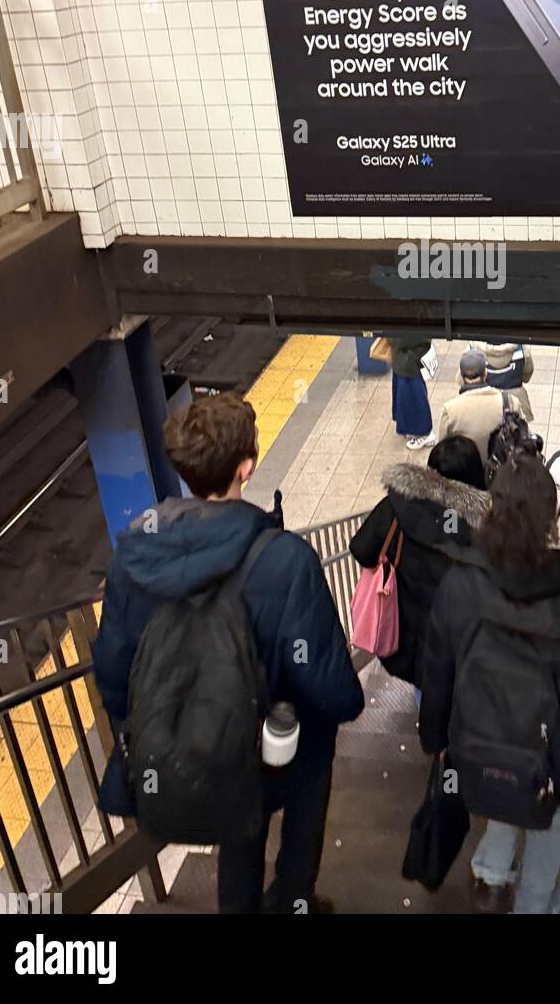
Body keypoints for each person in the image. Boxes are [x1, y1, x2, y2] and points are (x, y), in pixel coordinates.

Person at [92, 391, 364, 915]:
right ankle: (293, 899)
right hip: (278, 750)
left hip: (201, 744)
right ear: (247, 466)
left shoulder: (135, 556)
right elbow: (331, 690)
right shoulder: (285, 560)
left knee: (239, 819)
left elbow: (113, 667)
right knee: (304, 797)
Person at [419, 454, 560, 914]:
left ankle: (492, 870)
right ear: (548, 517)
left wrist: (438, 737)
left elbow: (437, 667)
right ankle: (534, 902)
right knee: (546, 842)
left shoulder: (461, 582)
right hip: (554, 749)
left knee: (503, 791)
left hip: (481, 738)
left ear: (491, 508)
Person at [349, 435, 489, 689]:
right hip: (458, 645)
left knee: (423, 686)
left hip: (405, 635)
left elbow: (362, 550)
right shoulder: (484, 531)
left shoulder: (397, 506)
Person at [438, 349, 523, 464]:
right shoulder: (511, 402)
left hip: (467, 473)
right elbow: (523, 440)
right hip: (501, 472)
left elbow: (441, 452)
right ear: (486, 373)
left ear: (461, 377)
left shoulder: (449, 410)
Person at [461, 340, 535, 421]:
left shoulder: (471, 350)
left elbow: (461, 380)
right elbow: (527, 372)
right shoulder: (521, 348)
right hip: (515, 400)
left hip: (483, 405)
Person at [386, 332, 436, 451]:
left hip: (409, 360)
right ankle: (413, 428)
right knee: (406, 396)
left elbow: (400, 339)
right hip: (406, 358)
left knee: (414, 396)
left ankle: (425, 433)